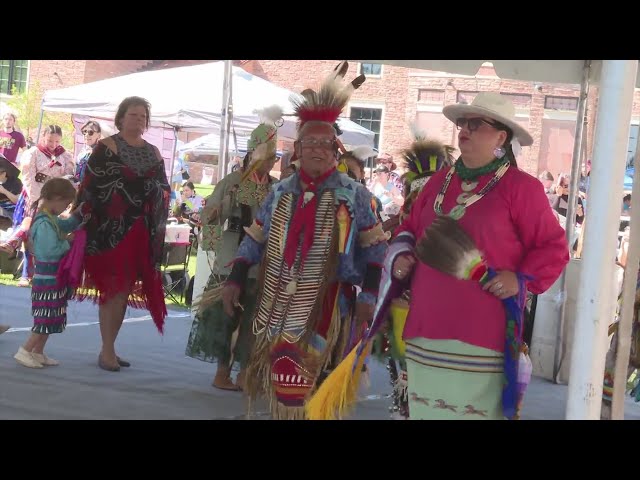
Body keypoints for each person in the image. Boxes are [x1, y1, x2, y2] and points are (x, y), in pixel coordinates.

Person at [220, 66, 387, 419]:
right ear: (296, 148)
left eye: (324, 143)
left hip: (329, 300)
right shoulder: (280, 192)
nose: (316, 149)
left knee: (313, 375)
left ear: (335, 150)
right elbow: (254, 239)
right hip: (278, 298)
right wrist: (235, 277)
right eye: (309, 142)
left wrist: (369, 297)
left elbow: (375, 249)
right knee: (285, 374)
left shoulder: (354, 194)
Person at [389, 92, 569, 420]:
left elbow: (553, 246)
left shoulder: (520, 188)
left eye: (476, 124)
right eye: (462, 123)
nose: (465, 130)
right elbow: (409, 230)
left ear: (501, 137)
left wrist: (519, 278)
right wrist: (401, 254)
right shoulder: (437, 184)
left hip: (481, 334)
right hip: (426, 329)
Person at [73, 96, 170, 372]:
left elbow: (163, 187)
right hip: (110, 232)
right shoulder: (106, 147)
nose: (138, 119)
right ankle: (106, 351)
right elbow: (89, 188)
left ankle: (110, 348)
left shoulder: (153, 152)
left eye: (142, 116)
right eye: (133, 115)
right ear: (121, 117)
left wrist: (153, 193)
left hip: (140, 231)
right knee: (114, 288)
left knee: (124, 289)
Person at [186, 111, 281, 391]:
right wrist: (216, 212)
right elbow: (210, 216)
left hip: (264, 261)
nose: (269, 163)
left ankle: (245, 373)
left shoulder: (277, 188)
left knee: (255, 318)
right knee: (226, 316)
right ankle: (222, 371)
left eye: (273, 158)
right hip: (232, 256)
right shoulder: (232, 182)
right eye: (265, 156)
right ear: (252, 154)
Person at [371, 131, 455, 419]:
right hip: (406, 312)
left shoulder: (455, 226)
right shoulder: (403, 234)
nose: (419, 202)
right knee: (404, 384)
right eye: (415, 196)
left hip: (443, 319)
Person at [13, 177, 81, 368]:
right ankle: (25, 350)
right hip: (47, 280)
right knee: (45, 316)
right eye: (66, 204)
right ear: (56, 198)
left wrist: (79, 214)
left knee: (52, 316)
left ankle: (38, 352)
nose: (65, 209)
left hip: (53, 279)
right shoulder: (43, 224)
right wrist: (68, 242)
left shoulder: (50, 219)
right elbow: (49, 251)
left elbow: (65, 224)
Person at [0, 125, 75, 287]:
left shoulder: (65, 156)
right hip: (33, 196)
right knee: (31, 230)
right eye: (50, 140)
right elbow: (28, 178)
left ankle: (15, 241)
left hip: (53, 199)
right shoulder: (33, 153)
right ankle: (26, 273)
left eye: (56, 141)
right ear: (43, 138)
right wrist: (37, 199)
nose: (53, 144)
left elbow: (68, 177)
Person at [0, 153, 23, 222]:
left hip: (15, 213)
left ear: (4, 174)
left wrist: (4, 191)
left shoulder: (15, 182)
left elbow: (18, 201)